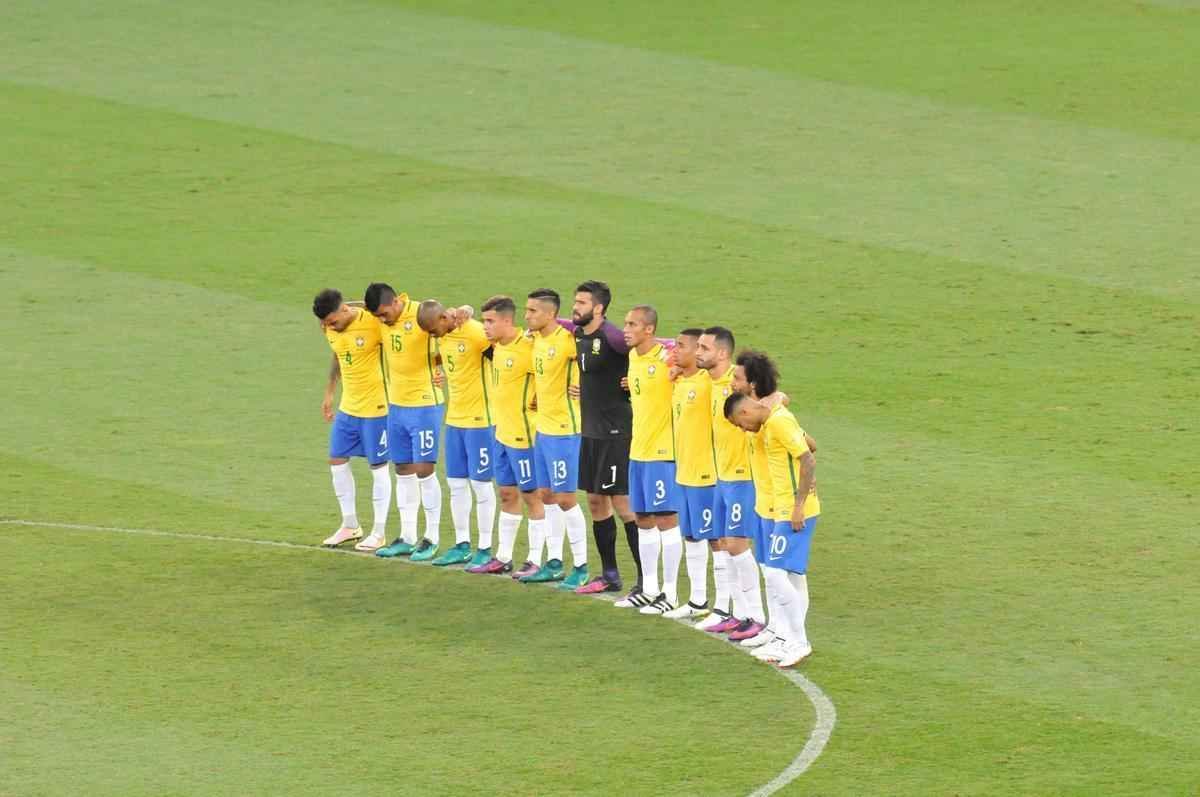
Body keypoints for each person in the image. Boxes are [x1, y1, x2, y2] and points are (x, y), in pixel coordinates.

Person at [724, 389, 820, 668]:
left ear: (744, 412)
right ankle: (787, 638)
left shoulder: (778, 422)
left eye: (740, 423)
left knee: (777, 574)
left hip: (794, 512)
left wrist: (799, 505)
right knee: (788, 575)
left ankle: (799, 641)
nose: (743, 430)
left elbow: (808, 458)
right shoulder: (767, 422)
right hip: (777, 509)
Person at [567, 281, 641, 596]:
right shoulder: (578, 333)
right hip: (591, 432)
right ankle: (610, 575)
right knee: (596, 501)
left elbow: (654, 347)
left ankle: (646, 580)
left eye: (582, 303)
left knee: (623, 503)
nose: (576, 307)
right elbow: (558, 322)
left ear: (598, 308)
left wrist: (635, 378)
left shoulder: (613, 337)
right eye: (575, 301)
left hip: (615, 432)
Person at [466, 296, 548, 577]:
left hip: (525, 437)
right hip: (501, 434)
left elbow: (553, 372)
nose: (485, 327)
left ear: (507, 320)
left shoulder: (529, 347)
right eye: (484, 321)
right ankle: (503, 557)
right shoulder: (497, 346)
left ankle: (535, 560)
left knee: (532, 496)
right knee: (506, 494)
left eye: (490, 321)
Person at [364, 283, 446, 562]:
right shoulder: (381, 319)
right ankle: (407, 536)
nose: (382, 320)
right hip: (396, 406)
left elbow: (449, 333)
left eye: (384, 314)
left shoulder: (423, 313)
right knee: (402, 468)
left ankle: (432, 537)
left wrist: (442, 366)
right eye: (377, 316)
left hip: (425, 404)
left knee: (424, 469)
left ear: (396, 301)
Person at [696, 328, 768, 641]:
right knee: (726, 544)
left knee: (737, 545)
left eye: (704, 347)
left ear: (722, 353)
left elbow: (773, 398)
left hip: (742, 476)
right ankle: (738, 614)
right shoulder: (710, 383)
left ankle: (757, 616)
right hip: (722, 476)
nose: (698, 352)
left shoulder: (737, 383)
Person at [417, 301, 498, 568]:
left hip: (481, 421)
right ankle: (462, 544)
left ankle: (484, 547)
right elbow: (449, 358)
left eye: (433, 330)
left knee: (481, 485)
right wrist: (441, 372)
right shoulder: (444, 334)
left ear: (443, 317)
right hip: (454, 421)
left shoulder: (474, 331)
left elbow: (502, 358)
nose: (432, 336)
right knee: (456, 484)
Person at [312, 289, 392, 551]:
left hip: (377, 407)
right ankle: (350, 525)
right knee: (337, 460)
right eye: (326, 323)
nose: (330, 327)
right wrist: (329, 392)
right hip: (348, 407)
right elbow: (338, 354)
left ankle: (379, 532)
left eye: (333, 321)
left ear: (345, 309)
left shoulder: (373, 323)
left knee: (378, 467)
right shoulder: (329, 328)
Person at [520, 288, 590, 589]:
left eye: (533, 311)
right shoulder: (535, 340)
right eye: (526, 310)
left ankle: (582, 566)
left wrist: (585, 386)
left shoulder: (568, 342)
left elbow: (596, 364)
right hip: (543, 429)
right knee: (546, 495)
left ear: (551, 314)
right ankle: (554, 562)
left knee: (565, 498)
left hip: (565, 430)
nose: (527, 315)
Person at [618, 305, 683, 615]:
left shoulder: (667, 357)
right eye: (625, 324)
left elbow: (692, 356)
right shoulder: (634, 357)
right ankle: (649, 589)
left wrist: (673, 352)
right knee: (642, 520)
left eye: (633, 324)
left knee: (666, 521)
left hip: (662, 453)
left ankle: (670, 594)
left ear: (649, 329)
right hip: (638, 451)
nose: (625, 330)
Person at [663, 328, 716, 619]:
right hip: (683, 473)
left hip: (706, 476)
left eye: (681, 346)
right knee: (692, 537)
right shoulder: (680, 381)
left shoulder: (710, 382)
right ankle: (698, 601)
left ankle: (724, 607)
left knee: (717, 541)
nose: (675, 350)